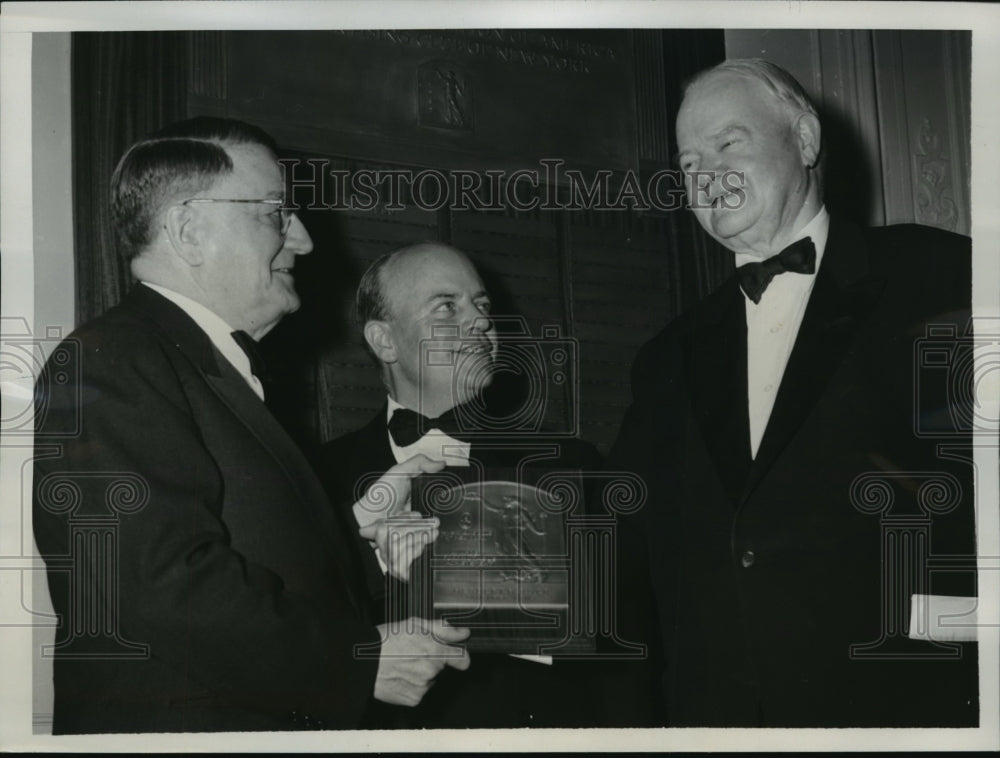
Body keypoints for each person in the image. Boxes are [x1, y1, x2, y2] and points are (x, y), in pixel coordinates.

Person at [32, 117, 470, 734]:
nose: (305, 240)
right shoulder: (115, 359)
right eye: (274, 213)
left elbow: (231, 555)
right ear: (189, 232)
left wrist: (358, 541)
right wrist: (356, 663)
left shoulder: (191, 364)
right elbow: (158, 585)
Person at [609, 59, 978, 727]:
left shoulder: (942, 276)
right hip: (724, 718)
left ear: (805, 141)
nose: (707, 175)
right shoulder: (668, 357)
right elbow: (620, 531)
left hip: (905, 702)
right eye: (689, 163)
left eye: (729, 143)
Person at [317, 242, 605, 728]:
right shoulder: (316, 475)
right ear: (384, 341)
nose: (481, 323)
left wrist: (430, 572)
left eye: (483, 305)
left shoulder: (566, 466)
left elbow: (603, 640)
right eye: (448, 306)